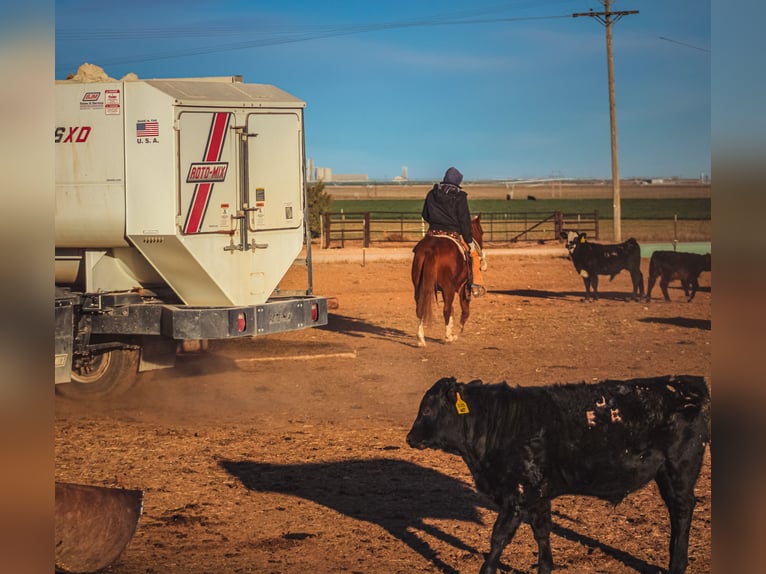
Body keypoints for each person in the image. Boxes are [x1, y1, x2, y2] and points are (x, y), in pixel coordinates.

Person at [421, 167, 486, 297]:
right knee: (474, 255)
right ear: (458, 182)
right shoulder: (460, 196)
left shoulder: (431, 193)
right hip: (452, 233)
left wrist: (435, 223)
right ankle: (475, 285)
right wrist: (469, 241)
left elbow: (425, 214)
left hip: (432, 232)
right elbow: (464, 221)